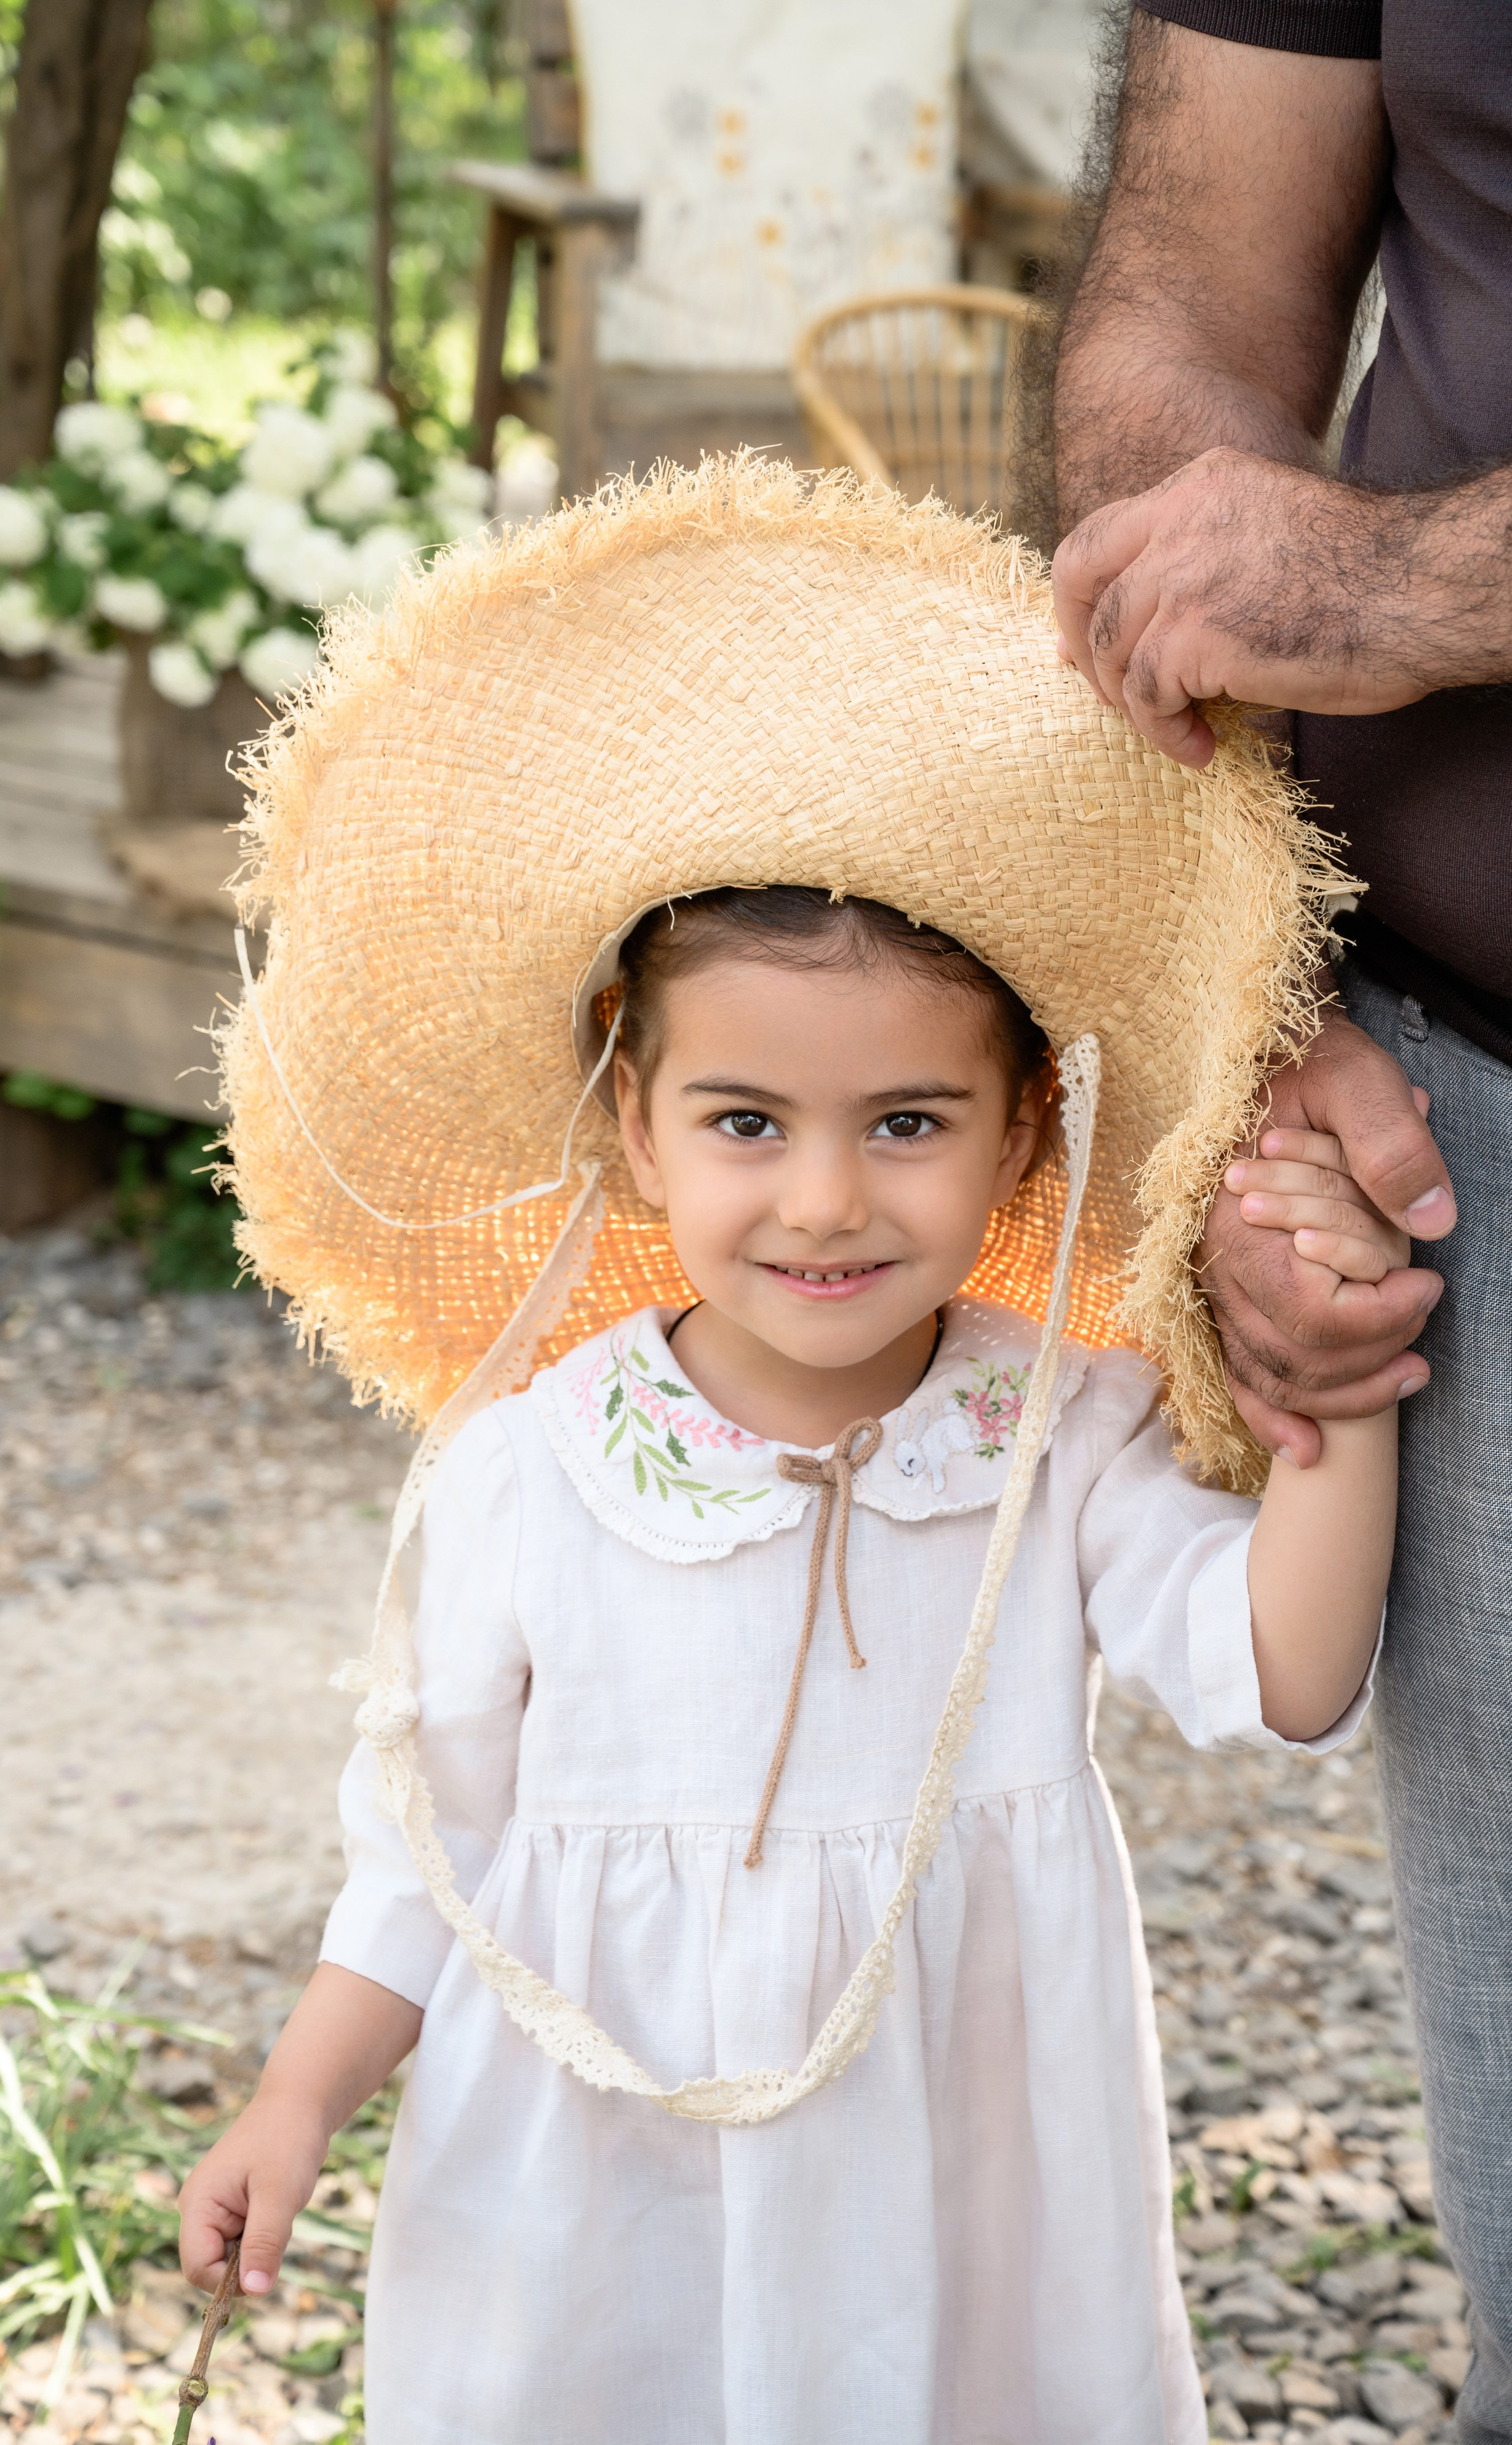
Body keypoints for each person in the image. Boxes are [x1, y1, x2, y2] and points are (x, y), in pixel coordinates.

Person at [178, 460, 1399, 2441]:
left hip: (950, 2186)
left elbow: (1286, 1669)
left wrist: (1341, 1384)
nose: (826, 1199)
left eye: (907, 1122)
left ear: (1022, 1131)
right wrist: (296, 2103)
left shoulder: (1049, 1434)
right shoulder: (530, 1470)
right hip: (599, 2186)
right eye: (747, 1123)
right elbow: (424, 1852)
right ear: (635, 1127)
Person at [1045, 11, 1512, 2431]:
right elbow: (1188, 297)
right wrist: (1254, 987)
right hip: (1472, 1116)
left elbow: (1350, 577)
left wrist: (1420, 580)